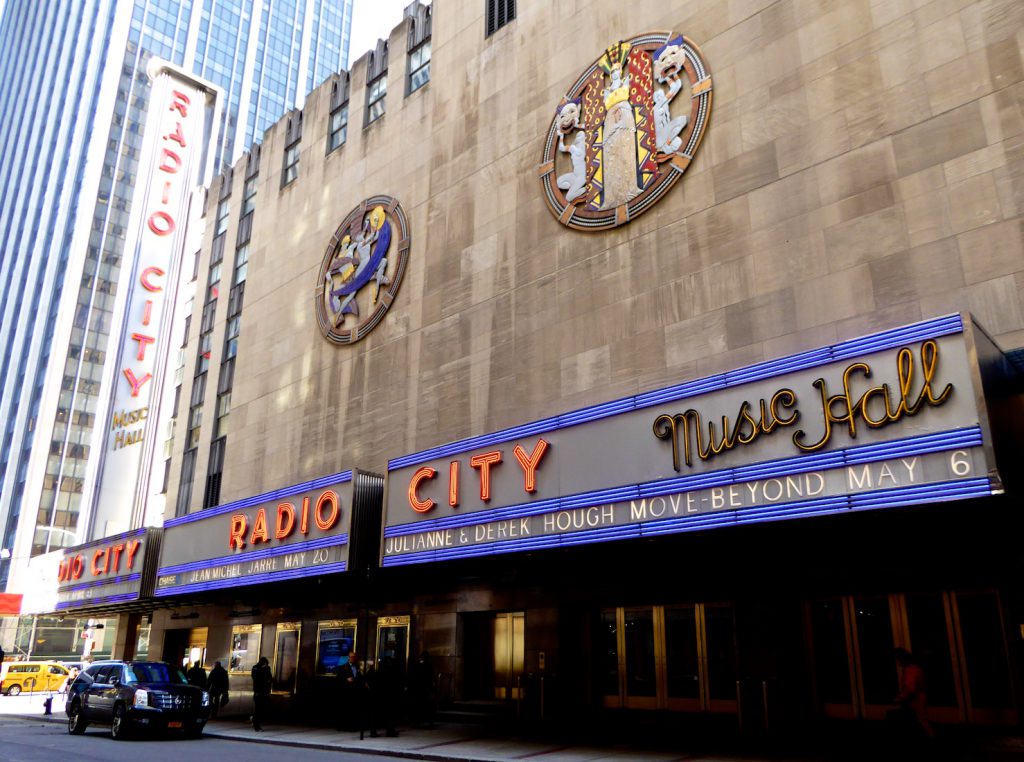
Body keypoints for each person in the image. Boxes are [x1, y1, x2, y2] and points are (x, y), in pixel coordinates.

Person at [890, 648, 934, 739]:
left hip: (916, 699)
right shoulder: (915, 668)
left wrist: (899, 698)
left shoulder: (910, 670)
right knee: (922, 720)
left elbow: (910, 688)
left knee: (921, 721)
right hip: (920, 696)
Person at [337, 649, 363, 732]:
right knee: (346, 710)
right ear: (348, 658)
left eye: (354, 657)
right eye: (351, 657)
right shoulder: (343, 667)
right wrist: (346, 679)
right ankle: (344, 726)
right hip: (347, 692)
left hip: (355, 691)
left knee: (354, 710)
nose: (353, 658)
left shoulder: (357, 667)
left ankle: (353, 726)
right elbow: (338, 679)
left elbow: (359, 678)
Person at [408, 651, 434, 728]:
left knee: (417, 706)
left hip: (417, 688)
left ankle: (416, 722)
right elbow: (430, 678)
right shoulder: (429, 666)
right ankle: (429, 722)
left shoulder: (416, 666)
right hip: (424, 688)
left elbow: (413, 677)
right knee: (427, 706)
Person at [250, 656, 272, 731]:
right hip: (260, 692)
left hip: (260, 692)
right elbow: (258, 680)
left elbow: (269, 678)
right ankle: (256, 725)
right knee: (258, 709)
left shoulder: (257, 668)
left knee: (259, 709)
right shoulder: (259, 669)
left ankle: (254, 720)